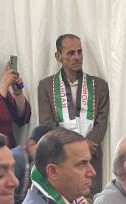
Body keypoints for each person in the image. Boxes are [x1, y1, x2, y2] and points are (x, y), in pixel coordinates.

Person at [38, 34, 109, 195]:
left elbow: (102, 121)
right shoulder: (46, 86)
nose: (77, 57)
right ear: (58, 56)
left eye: (79, 52)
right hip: (61, 155)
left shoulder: (99, 85)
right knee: (64, 200)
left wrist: (87, 145)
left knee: (90, 201)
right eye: (70, 53)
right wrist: (75, 146)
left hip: (91, 155)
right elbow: (47, 123)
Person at [12, 125, 52, 204]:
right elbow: (9, 198)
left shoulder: (27, 159)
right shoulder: (17, 159)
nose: (46, 156)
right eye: (44, 150)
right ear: (31, 144)